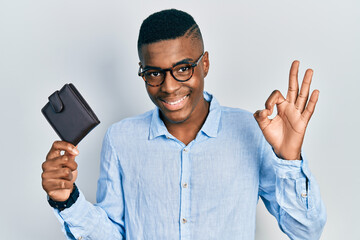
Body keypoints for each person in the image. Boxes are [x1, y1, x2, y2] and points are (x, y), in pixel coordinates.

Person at [41, 9, 326, 240]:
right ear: (142, 73)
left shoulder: (251, 130)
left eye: (182, 69)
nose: (168, 87)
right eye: (154, 73)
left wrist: (290, 160)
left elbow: (306, 231)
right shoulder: (121, 139)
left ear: (205, 65)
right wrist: (68, 201)